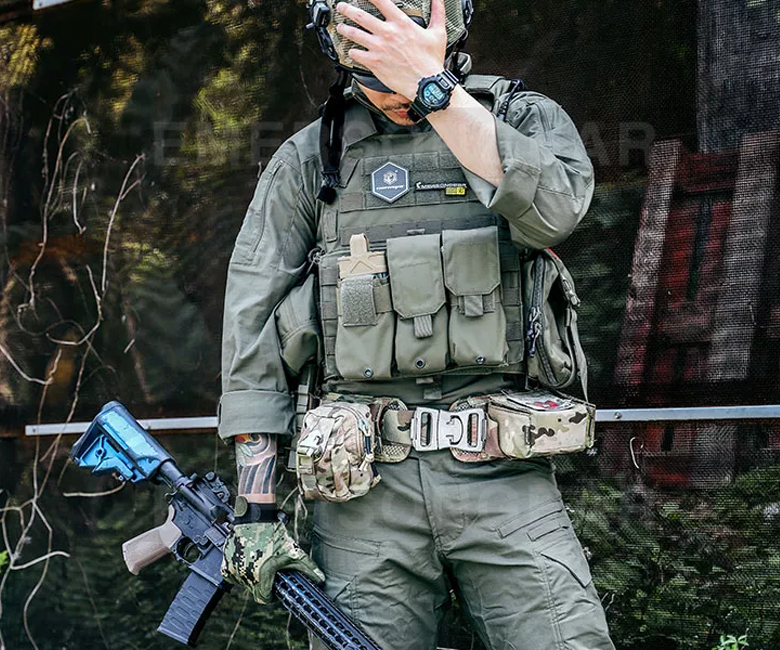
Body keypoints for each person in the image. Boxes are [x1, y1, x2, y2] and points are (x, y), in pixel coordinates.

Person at [218, 0, 616, 648]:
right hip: (363, 492)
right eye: (377, 69)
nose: (394, 88)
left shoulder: (516, 118)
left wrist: (435, 91)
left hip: (503, 477)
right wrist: (255, 506)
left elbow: (555, 211)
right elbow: (253, 330)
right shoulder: (311, 158)